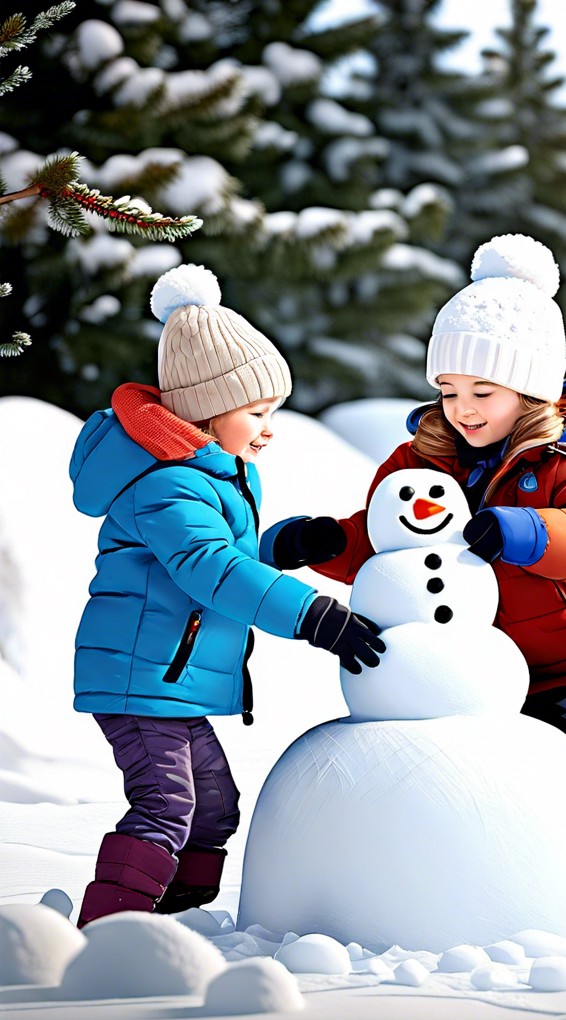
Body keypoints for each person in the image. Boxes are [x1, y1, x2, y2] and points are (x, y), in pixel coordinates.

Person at [265, 234, 566, 871]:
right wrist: (323, 541)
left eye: (483, 392)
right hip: (472, 662)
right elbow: (386, 536)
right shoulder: (424, 459)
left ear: (529, 391)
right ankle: (480, 857)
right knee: (471, 761)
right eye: (448, 390)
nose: (462, 409)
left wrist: (523, 531)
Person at [70, 264, 386, 927]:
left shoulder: (211, 473)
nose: (269, 428)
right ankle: (108, 935)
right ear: (207, 411)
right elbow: (207, 566)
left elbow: (227, 557)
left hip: (170, 676)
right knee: (166, 804)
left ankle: (176, 918)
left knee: (214, 806)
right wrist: (311, 614)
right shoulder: (167, 483)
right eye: (257, 412)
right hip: (140, 673)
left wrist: (288, 546)